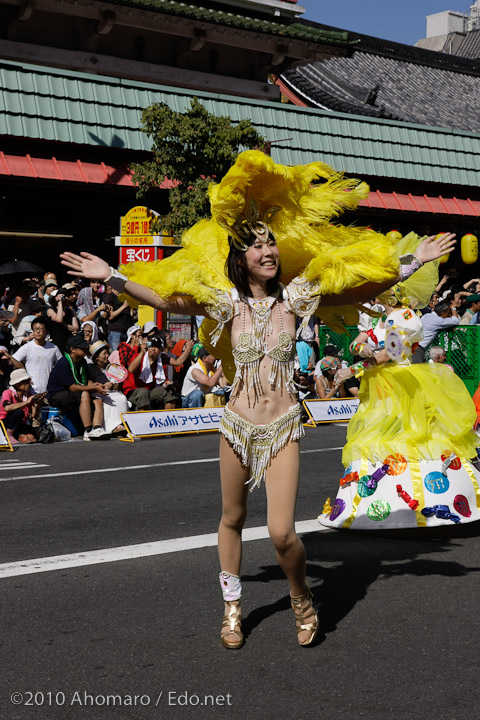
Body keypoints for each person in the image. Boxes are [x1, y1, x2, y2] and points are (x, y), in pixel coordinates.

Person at [60, 149, 454, 649]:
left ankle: (300, 596)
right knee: (231, 519)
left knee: (283, 533)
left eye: (271, 243)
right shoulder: (225, 302)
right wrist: (111, 275)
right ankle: (231, 606)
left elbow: (363, 283)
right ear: (239, 258)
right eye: (256, 246)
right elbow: (161, 299)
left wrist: (412, 262)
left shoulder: (298, 297)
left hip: (284, 425)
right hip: (237, 425)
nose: (267, 251)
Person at [319, 302, 480, 530]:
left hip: (398, 384)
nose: (383, 295)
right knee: (378, 436)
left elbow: (389, 355)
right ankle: (375, 503)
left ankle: (422, 502)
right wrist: (360, 349)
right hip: (380, 385)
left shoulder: (404, 317)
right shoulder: (375, 319)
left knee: (408, 436)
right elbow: (357, 344)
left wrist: (352, 370)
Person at [46, 335, 108, 440]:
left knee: (98, 400)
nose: (85, 349)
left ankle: (97, 428)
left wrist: (96, 385)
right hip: (57, 394)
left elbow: (86, 380)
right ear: (73, 349)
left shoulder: (82, 361)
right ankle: (88, 431)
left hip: (72, 392)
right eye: (82, 347)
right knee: (84, 394)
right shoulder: (64, 363)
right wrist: (93, 388)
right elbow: (73, 387)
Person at [122, 335, 193, 410]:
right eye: (151, 346)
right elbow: (130, 369)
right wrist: (142, 351)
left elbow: (178, 362)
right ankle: (143, 420)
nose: (153, 349)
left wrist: (188, 349)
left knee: (168, 392)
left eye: (156, 347)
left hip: (150, 391)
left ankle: (169, 419)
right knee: (143, 392)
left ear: (160, 350)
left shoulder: (161, 358)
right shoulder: (140, 356)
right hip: (133, 391)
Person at [4, 317, 62, 393]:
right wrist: (10, 357)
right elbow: (14, 360)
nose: (38, 331)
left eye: (40, 329)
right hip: (31, 391)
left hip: (49, 390)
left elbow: (61, 365)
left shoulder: (54, 348)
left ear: (47, 331)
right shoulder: (27, 347)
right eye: (35, 329)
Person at [87, 340, 129, 436]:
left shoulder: (111, 367)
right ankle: (113, 426)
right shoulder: (90, 368)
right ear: (96, 357)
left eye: (107, 353)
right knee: (109, 399)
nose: (107, 356)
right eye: (104, 354)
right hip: (99, 393)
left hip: (113, 391)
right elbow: (89, 383)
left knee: (122, 398)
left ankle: (123, 424)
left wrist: (113, 384)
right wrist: (102, 386)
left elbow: (116, 385)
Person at [0, 368, 44, 444]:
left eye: (28, 381)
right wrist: (26, 402)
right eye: (25, 382)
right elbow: (7, 408)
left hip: (19, 424)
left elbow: (33, 415)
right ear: (17, 384)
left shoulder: (27, 395)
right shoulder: (8, 393)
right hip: (5, 424)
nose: (28, 384)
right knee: (18, 411)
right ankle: (8, 435)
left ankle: (18, 435)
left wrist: (37, 403)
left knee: (34, 433)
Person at [412, 298, 459, 363]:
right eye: (448, 312)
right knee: (416, 370)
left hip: (414, 345)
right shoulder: (438, 320)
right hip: (418, 349)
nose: (448, 315)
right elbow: (455, 321)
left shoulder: (427, 315)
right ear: (443, 313)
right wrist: (453, 308)